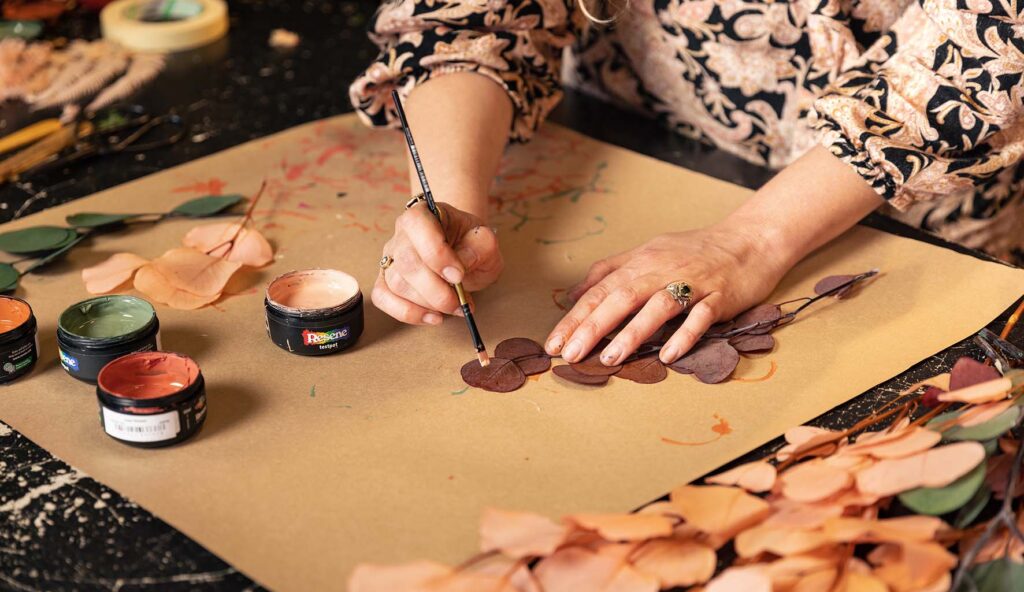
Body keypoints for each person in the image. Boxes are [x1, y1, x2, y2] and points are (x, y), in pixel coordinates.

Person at [350, 0, 1023, 368]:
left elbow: (994, 33)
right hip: (635, 134)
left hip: (915, 194)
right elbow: (475, 15)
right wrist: (448, 196)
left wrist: (751, 241)